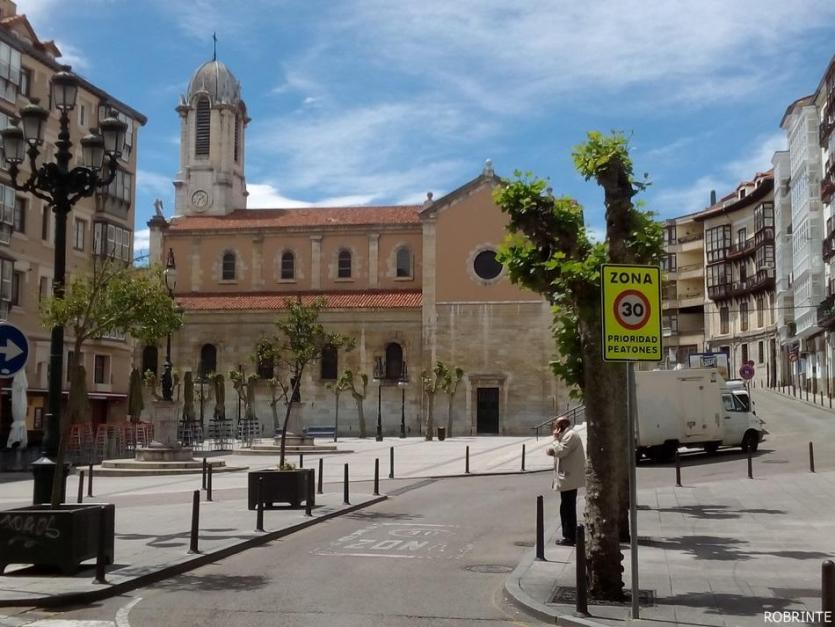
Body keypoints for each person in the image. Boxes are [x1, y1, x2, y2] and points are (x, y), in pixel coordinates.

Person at [545, 416, 585, 546]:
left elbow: (561, 451)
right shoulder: (568, 434)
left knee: (567, 507)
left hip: (569, 477)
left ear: (560, 426)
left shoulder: (570, 435)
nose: (555, 429)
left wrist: (555, 440)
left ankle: (570, 536)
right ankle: (569, 535)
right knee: (566, 506)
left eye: (556, 426)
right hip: (568, 477)